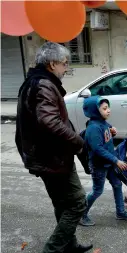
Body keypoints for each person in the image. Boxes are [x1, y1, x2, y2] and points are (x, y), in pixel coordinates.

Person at [15, 42, 93, 253]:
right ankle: (53, 249)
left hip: (45, 157)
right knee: (77, 204)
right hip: (53, 158)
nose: (66, 68)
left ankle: (69, 244)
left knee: (62, 203)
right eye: (64, 64)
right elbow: (50, 122)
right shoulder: (43, 84)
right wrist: (78, 141)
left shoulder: (34, 81)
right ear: (52, 64)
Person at [79, 96, 127, 226]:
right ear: (94, 111)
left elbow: (106, 136)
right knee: (97, 191)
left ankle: (120, 212)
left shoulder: (103, 123)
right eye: (104, 108)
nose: (108, 110)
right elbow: (97, 149)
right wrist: (116, 161)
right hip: (99, 165)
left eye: (108, 107)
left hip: (110, 162)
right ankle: (81, 214)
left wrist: (112, 132)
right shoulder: (93, 128)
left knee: (117, 184)